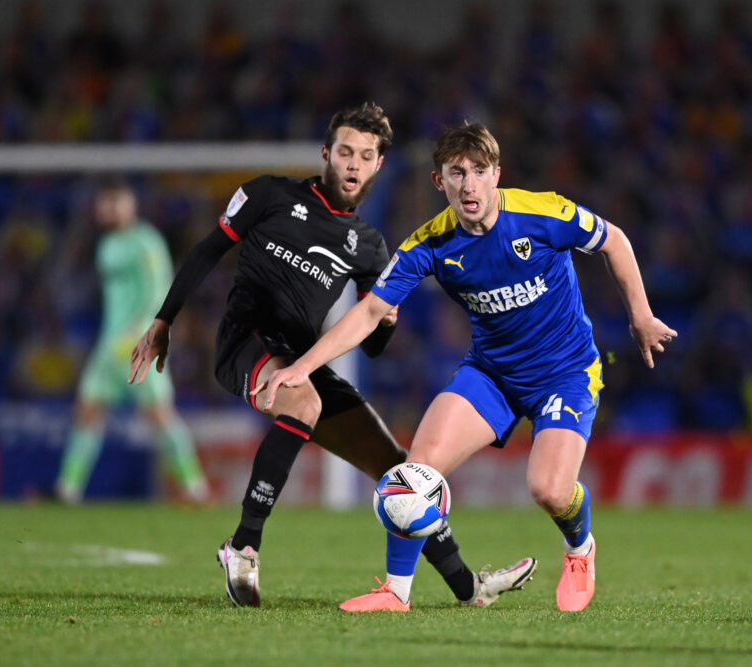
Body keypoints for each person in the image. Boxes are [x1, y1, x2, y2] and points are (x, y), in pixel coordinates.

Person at [129, 103, 535, 608]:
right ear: (326, 153)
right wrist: (164, 321)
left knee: (400, 473)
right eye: (345, 152)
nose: (353, 164)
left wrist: (386, 323)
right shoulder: (269, 194)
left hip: (304, 361)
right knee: (304, 403)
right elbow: (208, 250)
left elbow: (374, 346)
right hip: (246, 341)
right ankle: (244, 546)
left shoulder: (369, 246)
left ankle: (467, 588)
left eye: (365, 156)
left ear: (378, 165)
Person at [262, 121, 677, 612]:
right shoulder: (430, 243)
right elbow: (371, 311)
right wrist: (304, 366)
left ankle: (579, 547)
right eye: (456, 173)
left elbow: (614, 240)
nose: (469, 185)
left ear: (496, 174)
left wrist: (641, 316)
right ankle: (396, 591)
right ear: (438, 181)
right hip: (491, 375)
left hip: (564, 373)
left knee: (548, 489)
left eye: (479, 171)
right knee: (415, 470)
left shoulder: (540, 213)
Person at [56, 178, 208, 504]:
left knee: (159, 414)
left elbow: (160, 287)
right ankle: (67, 490)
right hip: (110, 344)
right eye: (105, 204)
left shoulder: (146, 242)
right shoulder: (106, 246)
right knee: (87, 411)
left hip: (139, 341)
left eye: (117, 203)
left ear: (131, 205)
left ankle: (195, 488)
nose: (110, 210)